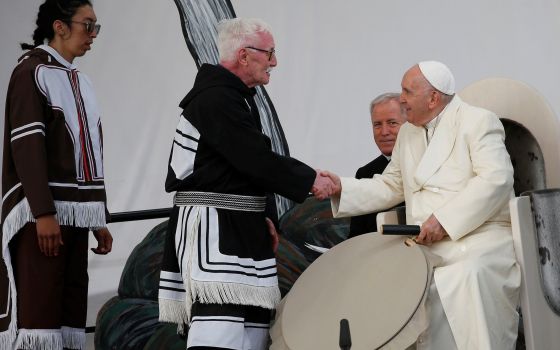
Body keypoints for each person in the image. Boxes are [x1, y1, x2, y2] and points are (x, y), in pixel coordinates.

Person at [158, 18, 333, 350]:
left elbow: (244, 166)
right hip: (216, 227)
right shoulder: (215, 99)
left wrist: (264, 215)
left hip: (241, 224)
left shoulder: (235, 97)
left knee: (252, 327)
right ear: (244, 55)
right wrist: (311, 179)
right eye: (270, 53)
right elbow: (254, 159)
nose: (275, 62)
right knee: (219, 326)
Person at [320, 61, 520, 349]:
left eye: (407, 91)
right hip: (426, 242)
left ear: (433, 98)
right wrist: (343, 187)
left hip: (479, 236)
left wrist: (446, 220)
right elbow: (391, 185)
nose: (401, 98)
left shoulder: (478, 121)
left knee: (466, 275)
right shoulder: (409, 133)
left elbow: (497, 179)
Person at [0, 1, 113, 348]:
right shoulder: (31, 73)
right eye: (87, 25)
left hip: (75, 217)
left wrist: (98, 218)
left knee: (69, 313)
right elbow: (27, 148)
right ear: (60, 26)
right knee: (40, 314)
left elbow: (90, 153)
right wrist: (44, 213)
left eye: (96, 26)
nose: (93, 34)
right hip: (43, 216)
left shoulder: (80, 80)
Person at [349, 93, 406, 237]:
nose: (384, 132)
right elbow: (357, 236)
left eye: (392, 123)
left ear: (409, 124)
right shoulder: (365, 174)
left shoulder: (426, 164)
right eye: (377, 125)